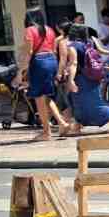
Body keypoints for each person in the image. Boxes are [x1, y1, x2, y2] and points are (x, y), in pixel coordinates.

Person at [18, 8, 71, 140]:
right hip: (51, 61)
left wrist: (21, 71)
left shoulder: (30, 30)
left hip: (39, 63)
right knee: (47, 98)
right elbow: (53, 50)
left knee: (39, 99)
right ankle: (62, 122)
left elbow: (29, 52)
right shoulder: (49, 29)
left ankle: (46, 132)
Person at [63, 25, 109, 135]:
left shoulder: (73, 46)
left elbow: (73, 64)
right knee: (91, 101)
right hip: (93, 76)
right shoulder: (90, 42)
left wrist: (70, 80)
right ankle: (78, 125)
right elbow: (101, 51)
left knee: (82, 103)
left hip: (81, 78)